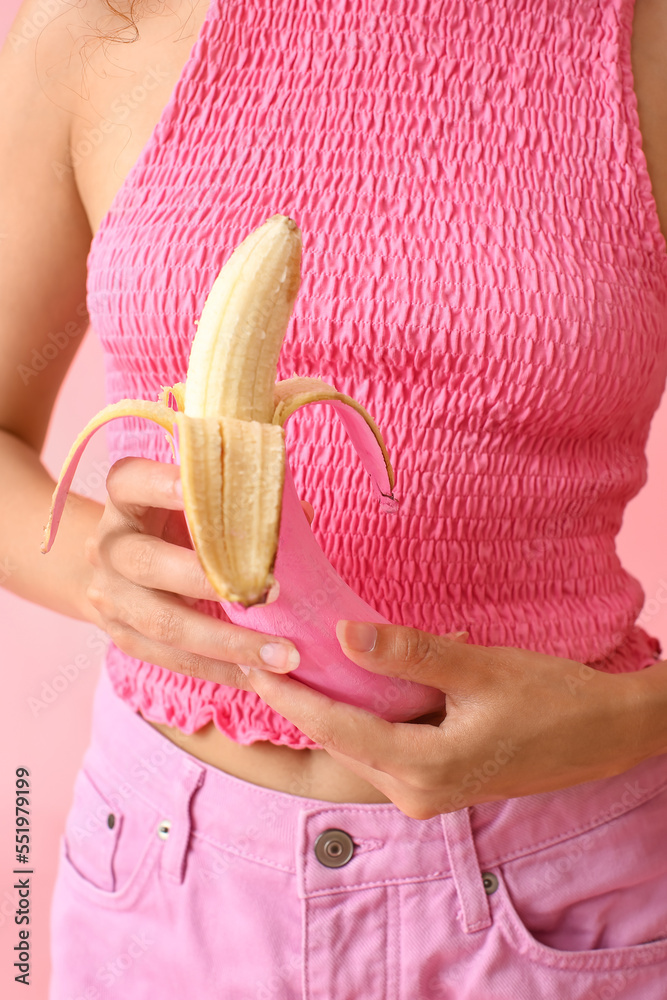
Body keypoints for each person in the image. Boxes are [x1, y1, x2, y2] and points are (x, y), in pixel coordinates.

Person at [2, 0, 667, 996]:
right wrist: (103, 579)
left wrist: (634, 720)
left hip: (562, 888)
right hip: (168, 878)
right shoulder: (96, 25)